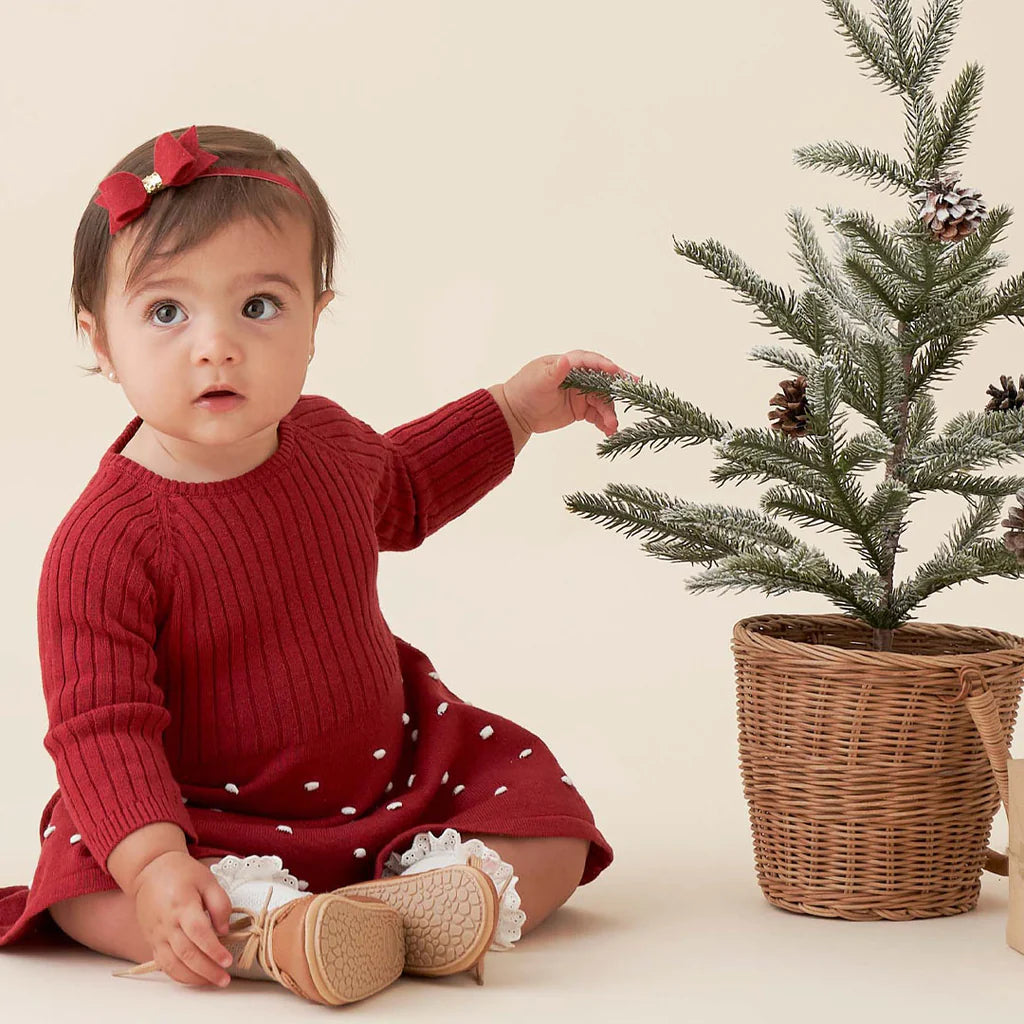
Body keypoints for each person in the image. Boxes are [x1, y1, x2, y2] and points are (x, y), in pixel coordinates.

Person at [0, 124, 627, 1005]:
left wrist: (518, 409)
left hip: (391, 770)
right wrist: (153, 864)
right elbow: (103, 729)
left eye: (258, 307)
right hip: (200, 814)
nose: (214, 346)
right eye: (166, 312)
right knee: (90, 889)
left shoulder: (326, 440)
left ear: (315, 319)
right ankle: (268, 931)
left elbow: (406, 485)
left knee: (553, 827)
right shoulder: (106, 540)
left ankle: (411, 906)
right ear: (98, 339)